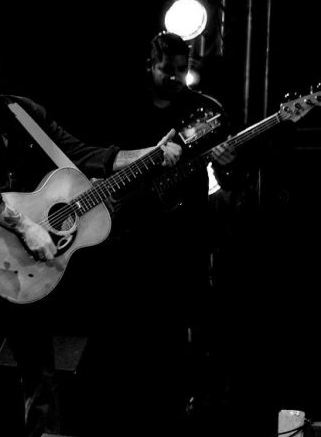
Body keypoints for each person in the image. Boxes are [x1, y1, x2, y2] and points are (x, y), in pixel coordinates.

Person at [0, 31, 183, 437]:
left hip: (29, 267)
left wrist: (146, 155)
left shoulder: (24, 112)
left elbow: (80, 156)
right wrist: (26, 225)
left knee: (40, 379)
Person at [96, 30, 238, 436]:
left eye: (182, 68)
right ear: (150, 66)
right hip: (128, 239)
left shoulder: (205, 112)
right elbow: (103, 162)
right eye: (166, 69)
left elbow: (227, 178)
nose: (175, 76)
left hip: (182, 242)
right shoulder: (127, 108)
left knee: (175, 348)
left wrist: (227, 164)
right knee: (127, 346)